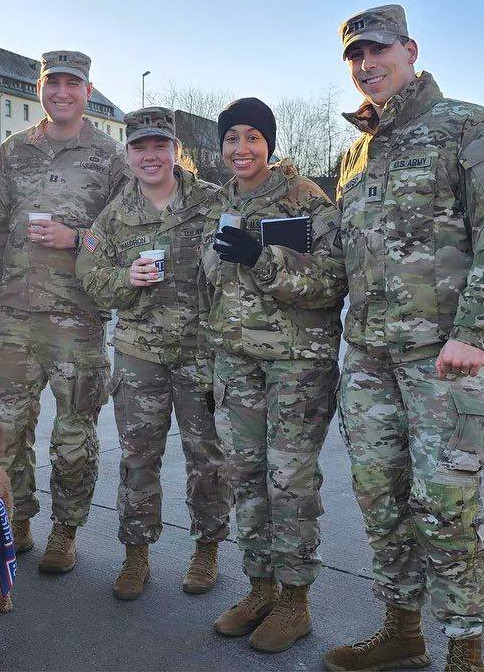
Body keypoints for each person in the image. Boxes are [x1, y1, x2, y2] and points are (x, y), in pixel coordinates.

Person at [323, 6, 484, 672]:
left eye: (377, 50)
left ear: (409, 49)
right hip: (368, 358)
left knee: (445, 502)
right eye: (354, 56)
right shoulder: (355, 153)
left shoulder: (468, 128)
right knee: (378, 495)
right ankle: (400, 629)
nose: (366, 65)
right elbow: (342, 254)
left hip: (441, 358)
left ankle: (465, 647)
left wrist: (476, 332)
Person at [201, 98, 347, 653]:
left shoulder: (305, 199)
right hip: (236, 362)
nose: (241, 149)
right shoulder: (222, 203)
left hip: (295, 364)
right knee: (245, 476)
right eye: (231, 138)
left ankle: (295, 602)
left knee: (288, 481)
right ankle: (260, 587)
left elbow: (333, 280)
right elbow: (211, 285)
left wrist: (261, 255)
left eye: (252, 138)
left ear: (270, 143)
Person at [0, 50, 126, 573]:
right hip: (13, 316)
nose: (61, 92)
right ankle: (17, 521)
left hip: (77, 321)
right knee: (5, 432)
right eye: (52, 82)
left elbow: (122, 240)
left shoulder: (110, 158)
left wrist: (76, 238)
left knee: (73, 438)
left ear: (88, 91)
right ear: (41, 88)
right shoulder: (14, 150)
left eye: (72, 83)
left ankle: (66, 530)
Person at [76, 107, 231, 600]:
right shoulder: (116, 215)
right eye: (139, 148)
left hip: (201, 352)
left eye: (159, 146)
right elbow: (91, 278)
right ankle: (136, 553)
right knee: (138, 457)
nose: (150, 156)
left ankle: (207, 548)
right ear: (127, 156)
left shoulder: (213, 202)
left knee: (206, 457)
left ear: (175, 151)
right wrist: (127, 279)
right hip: (140, 352)